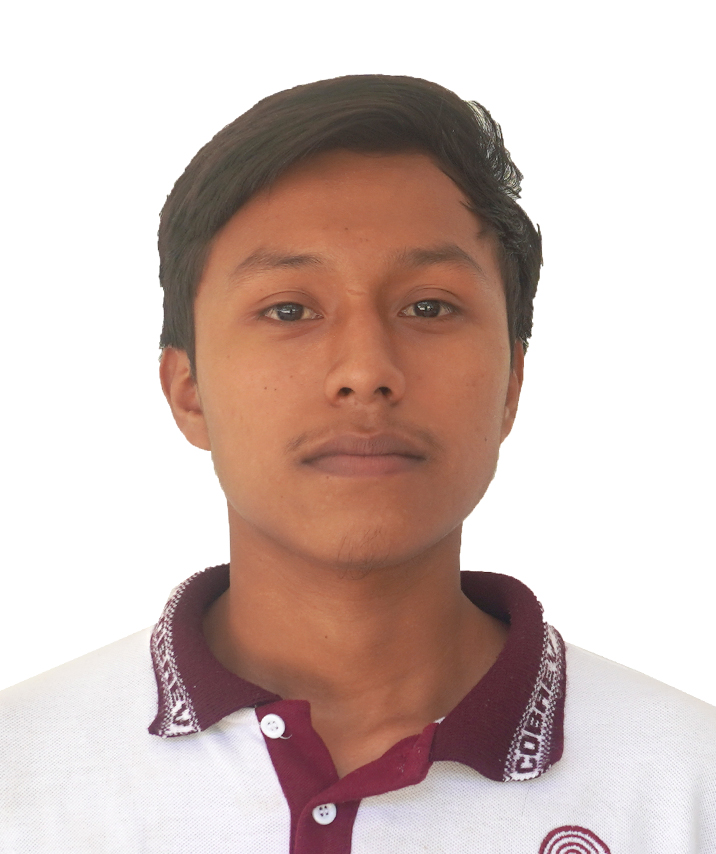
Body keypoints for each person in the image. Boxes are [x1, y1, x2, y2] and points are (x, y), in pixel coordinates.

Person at [1, 74, 714, 854]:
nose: (366, 371)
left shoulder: (690, 787)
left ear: (511, 382)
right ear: (189, 390)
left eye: (429, 307)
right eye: (289, 309)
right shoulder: (21, 778)